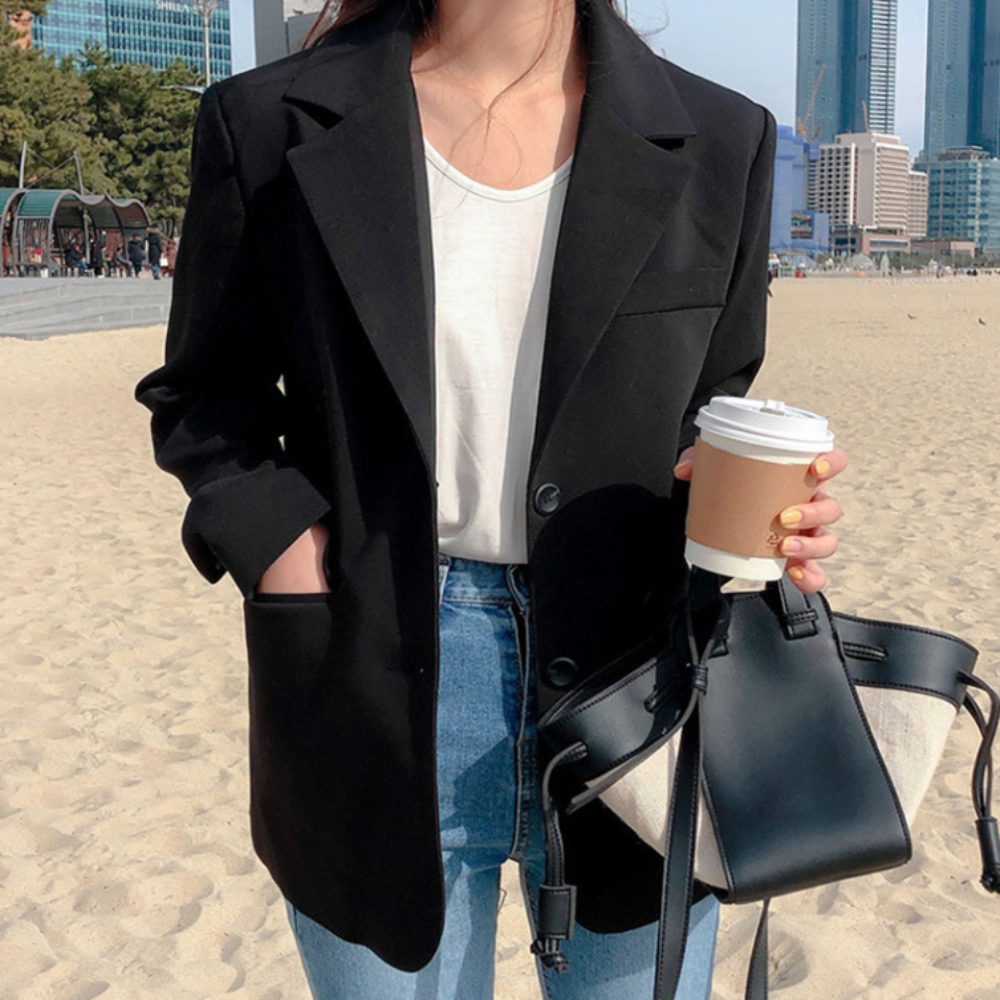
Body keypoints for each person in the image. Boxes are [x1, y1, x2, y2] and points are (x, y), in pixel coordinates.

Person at [134, 2, 847, 998]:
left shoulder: (723, 137)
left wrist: (765, 515)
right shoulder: (264, 121)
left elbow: (708, 409)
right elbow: (205, 396)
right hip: (368, 670)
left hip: (637, 684)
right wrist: (286, 552)